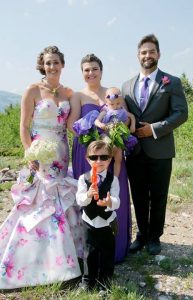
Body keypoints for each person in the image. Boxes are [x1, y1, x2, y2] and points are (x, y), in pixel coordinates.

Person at [0, 46, 83, 289]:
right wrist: (30, 152)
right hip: (40, 155)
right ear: (42, 66)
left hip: (61, 152)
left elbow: (71, 126)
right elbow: (24, 126)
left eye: (56, 62)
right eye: (48, 63)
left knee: (61, 199)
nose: (52, 67)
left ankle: (64, 260)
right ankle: (34, 263)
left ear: (62, 64)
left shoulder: (68, 92)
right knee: (41, 201)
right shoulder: (32, 90)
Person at [122, 34, 188, 255]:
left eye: (151, 51)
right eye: (143, 52)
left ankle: (154, 237)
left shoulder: (172, 82)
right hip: (135, 151)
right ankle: (141, 234)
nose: (147, 55)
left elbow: (181, 114)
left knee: (158, 195)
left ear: (158, 54)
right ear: (138, 56)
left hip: (161, 149)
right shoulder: (126, 85)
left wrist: (154, 128)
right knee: (138, 195)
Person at [67, 54, 131, 263]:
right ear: (82, 72)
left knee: (113, 194)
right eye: (86, 69)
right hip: (85, 150)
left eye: (94, 68)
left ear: (101, 71)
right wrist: (92, 140)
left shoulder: (112, 92)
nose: (90, 73)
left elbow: (124, 118)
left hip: (112, 150)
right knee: (89, 194)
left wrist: (115, 137)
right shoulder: (77, 95)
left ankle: (116, 248)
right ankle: (88, 249)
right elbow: (71, 124)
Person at [76, 140, 120, 290]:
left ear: (110, 159)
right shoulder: (83, 179)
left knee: (107, 253)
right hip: (89, 222)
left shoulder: (113, 180)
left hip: (107, 223)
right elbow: (80, 200)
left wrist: (109, 202)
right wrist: (88, 195)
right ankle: (88, 280)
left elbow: (117, 200)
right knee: (89, 254)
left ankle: (105, 281)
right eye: (94, 158)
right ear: (88, 159)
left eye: (103, 157)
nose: (99, 161)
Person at [94, 86, 137, 177]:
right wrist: (101, 124)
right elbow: (96, 121)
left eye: (118, 103)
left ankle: (115, 178)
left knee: (119, 158)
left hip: (117, 136)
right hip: (105, 134)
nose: (115, 106)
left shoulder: (122, 110)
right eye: (112, 104)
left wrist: (132, 125)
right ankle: (103, 174)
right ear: (106, 102)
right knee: (107, 148)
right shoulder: (105, 111)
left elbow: (132, 116)